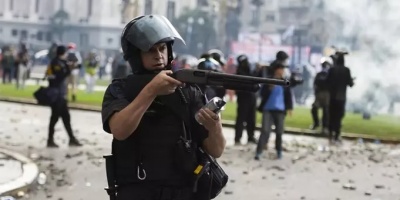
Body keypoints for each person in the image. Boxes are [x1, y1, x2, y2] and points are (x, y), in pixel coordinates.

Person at [101, 15, 225, 200]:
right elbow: (120, 130)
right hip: (138, 192)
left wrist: (214, 126)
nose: (158, 55)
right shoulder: (121, 90)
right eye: (150, 50)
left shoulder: (188, 92)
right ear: (136, 56)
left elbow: (216, 150)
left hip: (183, 192)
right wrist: (151, 91)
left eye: (162, 48)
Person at [46, 45, 82, 148]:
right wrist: (68, 69)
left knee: (65, 117)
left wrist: (70, 67)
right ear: (62, 53)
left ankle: (71, 139)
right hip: (56, 96)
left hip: (61, 95)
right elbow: (57, 76)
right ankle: (51, 140)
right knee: (55, 118)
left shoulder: (61, 63)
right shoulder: (56, 63)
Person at [255, 63, 293, 160]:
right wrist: (269, 87)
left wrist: (289, 108)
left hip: (280, 110)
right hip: (268, 108)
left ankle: (279, 150)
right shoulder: (269, 80)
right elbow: (262, 93)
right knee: (265, 131)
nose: (282, 71)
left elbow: (288, 95)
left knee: (279, 132)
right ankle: (259, 151)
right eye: (281, 69)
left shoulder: (285, 81)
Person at [326, 52, 354, 144]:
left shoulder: (332, 69)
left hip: (332, 96)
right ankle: (337, 134)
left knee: (331, 115)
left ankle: (330, 133)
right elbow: (350, 84)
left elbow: (327, 81)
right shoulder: (346, 70)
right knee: (339, 116)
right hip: (341, 97)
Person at [234, 55, 257, 145]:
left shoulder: (250, 71)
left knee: (251, 118)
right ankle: (238, 137)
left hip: (252, 96)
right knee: (241, 118)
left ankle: (250, 136)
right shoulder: (240, 72)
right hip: (243, 97)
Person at [310, 58, 331, 132]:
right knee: (314, 108)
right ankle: (316, 123)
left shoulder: (329, 74)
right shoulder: (319, 74)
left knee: (326, 111)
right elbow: (315, 84)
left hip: (326, 94)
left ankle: (325, 126)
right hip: (319, 94)